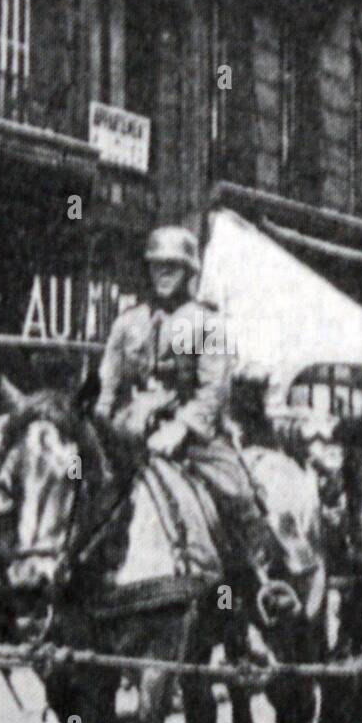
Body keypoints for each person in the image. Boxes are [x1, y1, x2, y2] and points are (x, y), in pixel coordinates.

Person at [95, 224, 278, 584]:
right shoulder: (127, 324)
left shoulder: (207, 325)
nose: (162, 273)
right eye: (156, 265)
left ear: (190, 271)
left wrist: (181, 427)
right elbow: (106, 385)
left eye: (173, 266)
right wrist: (94, 424)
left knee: (238, 492)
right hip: (129, 435)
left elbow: (214, 390)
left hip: (194, 441)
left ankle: (257, 582)